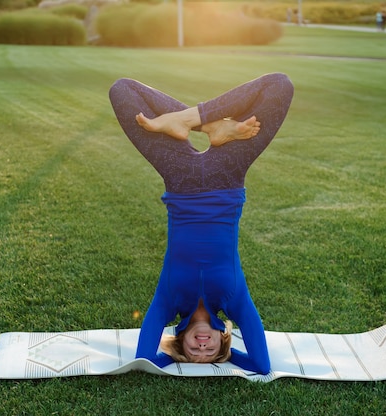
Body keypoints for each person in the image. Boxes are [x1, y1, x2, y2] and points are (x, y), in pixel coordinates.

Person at [108, 73, 294, 374]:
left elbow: (144, 360)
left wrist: (173, 357)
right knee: (280, 86)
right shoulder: (233, 300)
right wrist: (230, 357)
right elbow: (261, 366)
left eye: (195, 353)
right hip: (227, 175)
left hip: (180, 178)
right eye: (212, 352)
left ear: (180, 341)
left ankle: (195, 121)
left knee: (122, 90)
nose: (203, 348)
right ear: (223, 341)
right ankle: (207, 123)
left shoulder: (169, 300)